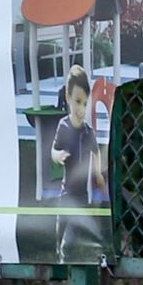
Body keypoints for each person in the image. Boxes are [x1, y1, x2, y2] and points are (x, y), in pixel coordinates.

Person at [51, 65, 107, 259]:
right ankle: (58, 253)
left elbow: (96, 153)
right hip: (65, 193)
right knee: (60, 226)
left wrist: (99, 173)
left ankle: (66, 253)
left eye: (85, 103)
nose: (81, 109)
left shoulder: (88, 132)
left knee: (70, 240)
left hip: (81, 196)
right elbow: (53, 149)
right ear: (67, 97)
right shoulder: (64, 126)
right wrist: (57, 155)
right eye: (77, 102)